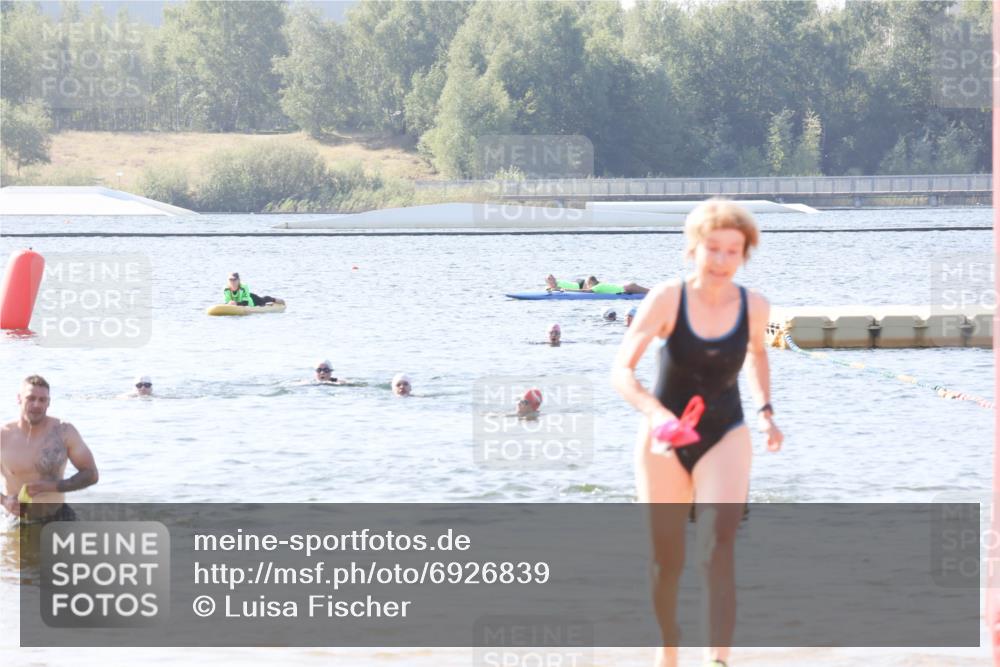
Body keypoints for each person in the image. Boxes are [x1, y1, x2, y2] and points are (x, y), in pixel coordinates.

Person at [610, 200, 783, 667]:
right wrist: (653, 414)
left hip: (726, 433)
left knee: (717, 548)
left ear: (746, 252)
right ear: (694, 249)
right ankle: (668, 652)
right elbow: (622, 371)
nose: (724, 261)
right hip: (663, 439)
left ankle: (717, 660)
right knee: (667, 562)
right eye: (714, 249)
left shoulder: (755, 304)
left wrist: (766, 411)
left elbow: (757, 355)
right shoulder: (668, 298)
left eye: (734, 251)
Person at [1, 375, 99, 526]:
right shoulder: (3, 436)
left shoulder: (64, 432)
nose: (36, 404)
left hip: (59, 516)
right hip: (17, 520)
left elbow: (91, 474)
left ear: (49, 402)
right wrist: (4, 500)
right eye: (30, 398)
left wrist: (50, 486)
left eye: (42, 400)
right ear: (19, 398)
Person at [584, 276, 649, 294]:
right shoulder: (600, 284)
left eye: (587, 284)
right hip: (628, 287)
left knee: (651, 292)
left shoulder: (597, 287)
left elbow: (586, 291)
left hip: (628, 288)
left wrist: (573, 290)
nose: (587, 286)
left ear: (591, 282)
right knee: (649, 291)